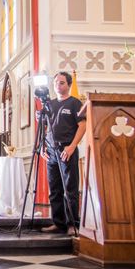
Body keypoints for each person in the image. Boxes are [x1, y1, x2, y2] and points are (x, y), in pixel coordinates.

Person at [41, 72, 86, 235]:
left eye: (61, 83)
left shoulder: (75, 103)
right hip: (51, 150)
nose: (57, 86)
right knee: (55, 189)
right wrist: (42, 147)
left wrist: (73, 146)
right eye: (55, 83)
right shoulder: (49, 104)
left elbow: (82, 125)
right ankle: (58, 223)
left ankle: (72, 224)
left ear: (68, 85)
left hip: (67, 149)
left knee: (70, 189)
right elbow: (45, 128)